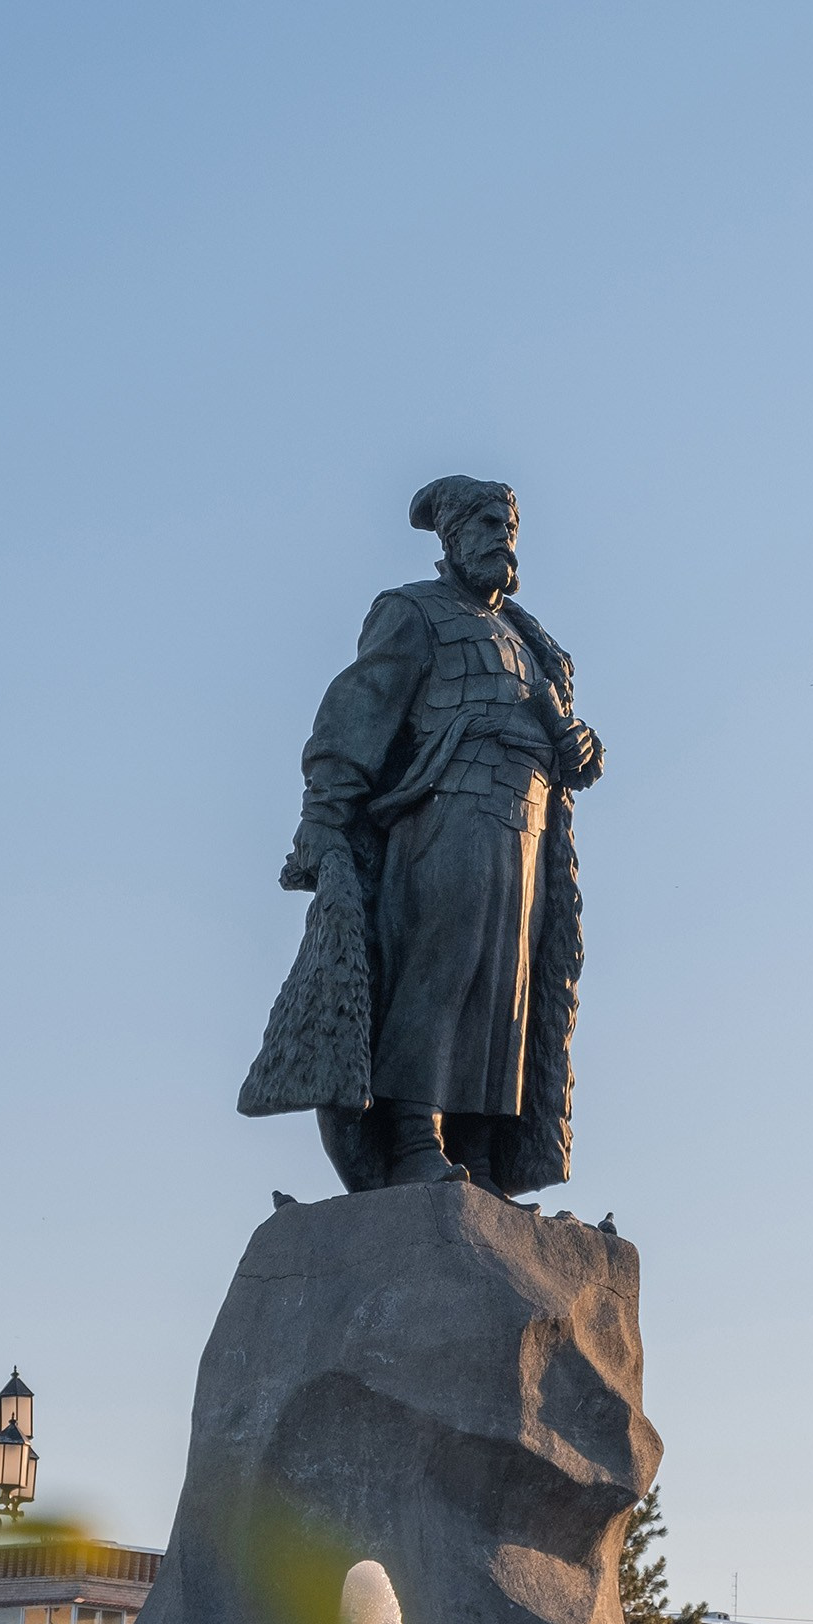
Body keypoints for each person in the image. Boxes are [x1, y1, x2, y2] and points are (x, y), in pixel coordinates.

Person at [239, 475, 604, 1193]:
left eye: (510, 524)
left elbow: (551, 739)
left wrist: (578, 748)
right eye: (489, 523)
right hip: (445, 816)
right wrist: (323, 818)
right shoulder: (413, 612)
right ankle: (413, 1141)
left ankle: (479, 1153)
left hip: (524, 828)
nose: (504, 535)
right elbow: (354, 716)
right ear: (454, 535)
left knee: (507, 995)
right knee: (442, 971)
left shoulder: (531, 640)